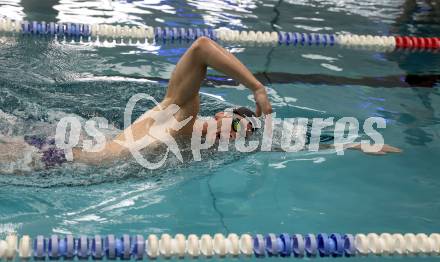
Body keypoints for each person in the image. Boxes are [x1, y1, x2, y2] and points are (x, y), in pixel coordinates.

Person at [1, 37, 401, 172]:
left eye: (241, 134)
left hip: (57, 148)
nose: (233, 132)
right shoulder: (182, 114)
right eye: (235, 123)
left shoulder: (197, 141)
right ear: (222, 114)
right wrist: (256, 88)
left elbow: (276, 143)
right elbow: (201, 48)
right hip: (49, 158)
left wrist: (351, 144)